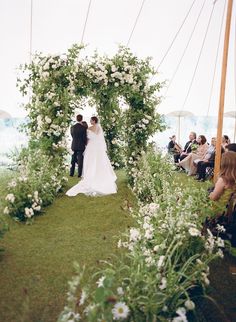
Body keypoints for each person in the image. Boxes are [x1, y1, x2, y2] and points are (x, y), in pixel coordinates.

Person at [66, 116, 117, 197]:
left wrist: (86, 144)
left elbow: (87, 139)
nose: (90, 121)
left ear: (94, 121)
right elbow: (98, 138)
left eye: (91, 120)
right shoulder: (99, 128)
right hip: (98, 148)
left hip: (89, 147)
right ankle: (97, 175)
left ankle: (85, 175)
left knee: (88, 161)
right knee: (99, 161)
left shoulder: (87, 129)